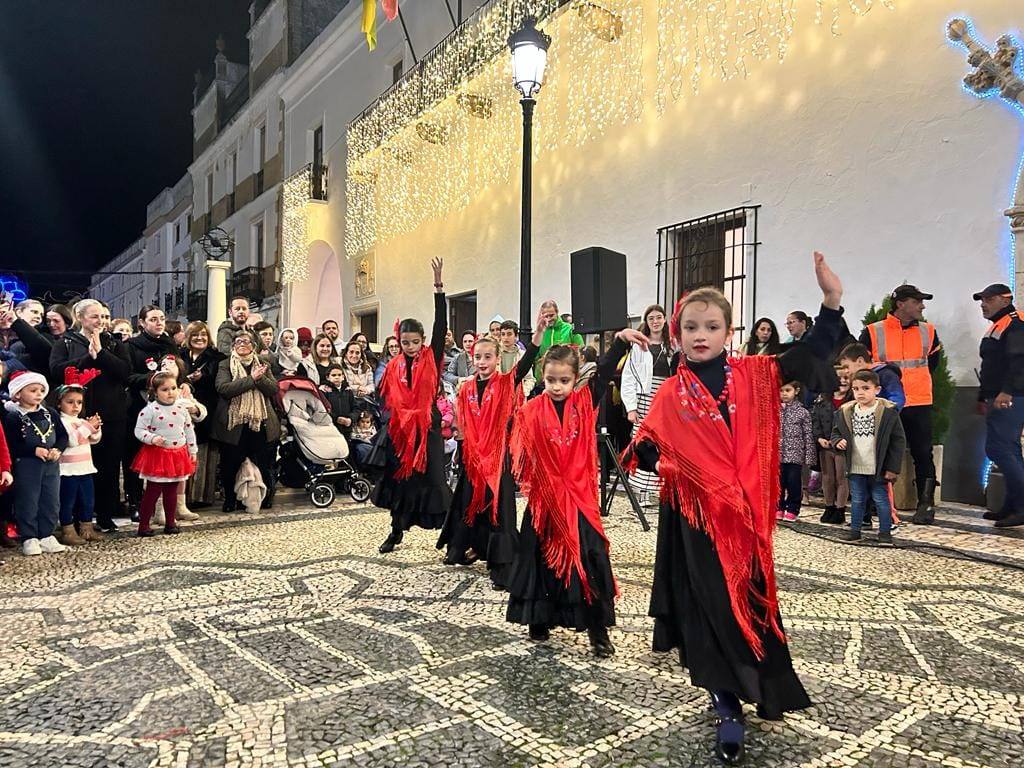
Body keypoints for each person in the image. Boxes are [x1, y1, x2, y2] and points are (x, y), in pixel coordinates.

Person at [627, 253, 844, 764]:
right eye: (691, 327)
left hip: (743, 520)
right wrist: (662, 458)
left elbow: (809, 354)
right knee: (709, 606)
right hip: (695, 521)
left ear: (728, 331)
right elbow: (644, 447)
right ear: (677, 333)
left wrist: (831, 303)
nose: (700, 334)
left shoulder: (755, 374)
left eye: (712, 326)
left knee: (748, 601)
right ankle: (725, 702)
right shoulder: (670, 391)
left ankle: (760, 684)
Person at [506, 326, 642, 660]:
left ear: (575, 379)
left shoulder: (584, 402)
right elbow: (518, 449)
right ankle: (538, 618)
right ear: (543, 376)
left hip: (579, 498)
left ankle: (598, 631)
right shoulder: (530, 410)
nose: (556, 387)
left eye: (564, 381)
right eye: (551, 380)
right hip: (545, 500)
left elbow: (606, 369)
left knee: (590, 561)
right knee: (538, 561)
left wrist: (621, 340)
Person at [438, 312, 546, 589]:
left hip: (498, 459)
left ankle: (502, 563)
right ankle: (472, 546)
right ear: (472, 359)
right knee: (470, 504)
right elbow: (462, 424)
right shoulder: (466, 389)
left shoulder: (506, 382)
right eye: (478, 357)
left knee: (500, 509)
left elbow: (525, 363)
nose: (482, 362)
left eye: (488, 357)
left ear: (498, 359)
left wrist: (537, 336)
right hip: (473, 459)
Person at [372, 258, 451, 553]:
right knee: (401, 482)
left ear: (423, 341)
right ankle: (395, 532)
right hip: (400, 431)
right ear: (398, 341)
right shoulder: (392, 367)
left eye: (415, 341)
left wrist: (439, 287)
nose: (410, 346)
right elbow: (385, 398)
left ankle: (450, 533)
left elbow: (441, 325)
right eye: (405, 342)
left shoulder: (432, 357)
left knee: (434, 479)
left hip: (427, 427)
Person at [859, 284, 941, 524]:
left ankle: (926, 504)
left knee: (922, 452)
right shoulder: (873, 332)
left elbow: (932, 363)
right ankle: (876, 501)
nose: (922, 306)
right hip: (886, 403)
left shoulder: (929, 331)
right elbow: (863, 367)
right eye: (917, 302)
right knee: (879, 451)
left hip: (920, 401)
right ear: (901, 303)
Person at [49, 298, 132, 531]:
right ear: (81, 318)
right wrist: (88, 357)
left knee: (108, 467)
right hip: (76, 416)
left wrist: (101, 353)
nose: (100, 321)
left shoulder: (114, 343)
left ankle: (105, 515)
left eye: (103, 316)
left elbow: (125, 371)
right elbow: (57, 371)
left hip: (111, 414)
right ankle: (77, 519)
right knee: (77, 470)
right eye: (94, 316)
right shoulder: (65, 342)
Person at [831, 369, 906, 544]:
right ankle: (855, 531)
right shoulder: (846, 411)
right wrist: (838, 441)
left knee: (880, 499)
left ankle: (885, 533)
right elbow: (835, 433)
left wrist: (892, 468)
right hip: (856, 465)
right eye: (856, 389)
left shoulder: (887, 412)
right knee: (857, 499)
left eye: (866, 388)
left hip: (877, 467)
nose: (860, 393)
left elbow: (898, 441)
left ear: (877, 390)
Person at [973, 283, 1024, 527]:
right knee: (1005, 450)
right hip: (999, 396)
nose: (983, 303)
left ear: (1006, 300)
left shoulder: (1015, 323)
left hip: (1011, 397)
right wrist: (984, 396)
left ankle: (1021, 506)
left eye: (989, 299)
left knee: (1002, 449)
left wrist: (1006, 392)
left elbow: (1018, 362)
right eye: (982, 299)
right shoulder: (998, 325)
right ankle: (1012, 505)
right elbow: (991, 365)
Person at [3, 371, 69, 556]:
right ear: (18, 394)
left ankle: (46, 534)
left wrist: (58, 449)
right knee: (28, 499)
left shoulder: (51, 414)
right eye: (32, 390)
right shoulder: (13, 417)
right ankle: (29, 537)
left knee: (51, 499)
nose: (38, 394)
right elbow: (11, 444)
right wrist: (32, 451)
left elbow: (63, 435)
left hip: (51, 465)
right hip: (27, 465)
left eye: (41, 390)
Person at [213, 332, 279, 512]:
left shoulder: (264, 364)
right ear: (233, 346)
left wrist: (260, 377)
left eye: (247, 341)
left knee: (263, 464)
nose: (242, 344)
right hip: (234, 424)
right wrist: (252, 379)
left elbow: (273, 389)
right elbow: (224, 388)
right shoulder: (225, 364)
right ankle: (230, 500)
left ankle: (265, 497)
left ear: (254, 346)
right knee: (230, 465)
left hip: (260, 422)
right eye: (238, 341)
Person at [124, 306, 178, 520]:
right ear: (142, 323)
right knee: (135, 457)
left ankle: (163, 505)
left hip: (169, 410)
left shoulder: (169, 344)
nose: (159, 323)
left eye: (162, 319)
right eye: (153, 319)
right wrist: (152, 378)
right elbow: (128, 376)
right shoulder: (131, 346)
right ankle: (135, 501)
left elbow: (178, 369)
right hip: (140, 406)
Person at [621, 305, 676, 503]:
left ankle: (657, 488)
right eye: (651, 318)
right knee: (641, 439)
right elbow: (628, 377)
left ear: (664, 320)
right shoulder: (639, 345)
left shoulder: (673, 345)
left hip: (664, 396)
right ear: (647, 321)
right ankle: (640, 490)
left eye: (659, 317)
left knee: (661, 441)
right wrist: (631, 407)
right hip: (644, 395)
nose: (655, 321)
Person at [131, 371, 197, 537]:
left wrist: (192, 449)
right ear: (155, 392)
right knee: (152, 491)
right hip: (158, 455)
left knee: (172, 490)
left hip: (178, 454)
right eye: (165, 389)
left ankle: (170, 522)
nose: (170, 392)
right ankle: (144, 525)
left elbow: (189, 430)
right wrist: (152, 438)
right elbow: (138, 430)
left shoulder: (182, 409)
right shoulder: (150, 410)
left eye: (173, 388)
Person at [55, 368, 104, 546]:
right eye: (70, 402)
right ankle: (67, 530)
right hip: (67, 470)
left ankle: (86, 529)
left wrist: (96, 428)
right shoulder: (61, 421)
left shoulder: (82, 421)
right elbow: (71, 440)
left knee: (87, 500)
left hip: (85, 468)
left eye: (79, 402)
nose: (76, 406)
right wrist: (89, 428)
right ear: (60, 403)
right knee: (67, 502)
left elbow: (94, 440)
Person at [180, 321, 225, 510]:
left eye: (203, 335)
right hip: (184, 410)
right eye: (195, 335)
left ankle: (202, 495)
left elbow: (220, 381)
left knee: (205, 451)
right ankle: (184, 496)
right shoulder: (180, 355)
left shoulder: (217, 357)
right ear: (188, 337)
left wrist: (203, 378)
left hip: (208, 409)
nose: (200, 338)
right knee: (186, 449)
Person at [812, 374, 851, 524]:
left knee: (842, 478)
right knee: (828, 478)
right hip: (825, 446)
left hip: (842, 447)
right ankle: (829, 506)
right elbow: (814, 420)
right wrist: (819, 438)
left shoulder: (852, 401)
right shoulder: (821, 400)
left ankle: (840, 509)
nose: (842, 380)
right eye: (839, 377)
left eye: (846, 377)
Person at [778, 381, 815, 522]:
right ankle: (779, 507)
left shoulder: (802, 412)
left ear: (796, 391)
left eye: (787, 390)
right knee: (779, 483)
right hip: (778, 454)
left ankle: (793, 508)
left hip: (795, 455)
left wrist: (809, 456)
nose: (784, 394)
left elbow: (808, 434)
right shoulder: (775, 410)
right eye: (781, 391)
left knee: (794, 483)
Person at [836, 343, 905, 410]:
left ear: (860, 361)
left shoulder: (886, 374)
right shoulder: (855, 379)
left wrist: (885, 416)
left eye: (847, 367)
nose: (846, 371)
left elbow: (897, 399)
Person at [533, 300, 585, 379]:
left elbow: (581, 350)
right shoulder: (539, 333)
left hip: (566, 377)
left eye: (551, 315)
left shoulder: (569, 329)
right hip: (544, 379)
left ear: (557, 312)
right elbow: (534, 357)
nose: (549, 319)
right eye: (546, 316)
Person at [2, 299, 53, 374]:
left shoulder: (44, 337)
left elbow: (47, 354)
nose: (39, 317)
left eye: (41, 315)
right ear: (19, 312)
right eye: (34, 312)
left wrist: (16, 322)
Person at [321, 363, 355, 438]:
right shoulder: (324, 390)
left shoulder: (348, 390)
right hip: (331, 427)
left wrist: (351, 419)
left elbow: (355, 407)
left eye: (339, 375)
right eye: (333, 375)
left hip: (347, 427)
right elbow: (323, 409)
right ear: (327, 377)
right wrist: (336, 418)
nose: (337, 377)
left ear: (343, 377)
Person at [341, 340, 376, 407]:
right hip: (347, 402)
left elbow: (371, 384)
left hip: (365, 401)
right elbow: (342, 385)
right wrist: (358, 388)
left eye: (357, 353)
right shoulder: (340, 366)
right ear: (346, 353)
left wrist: (366, 390)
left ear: (361, 354)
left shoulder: (367, 367)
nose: (354, 355)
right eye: (351, 352)